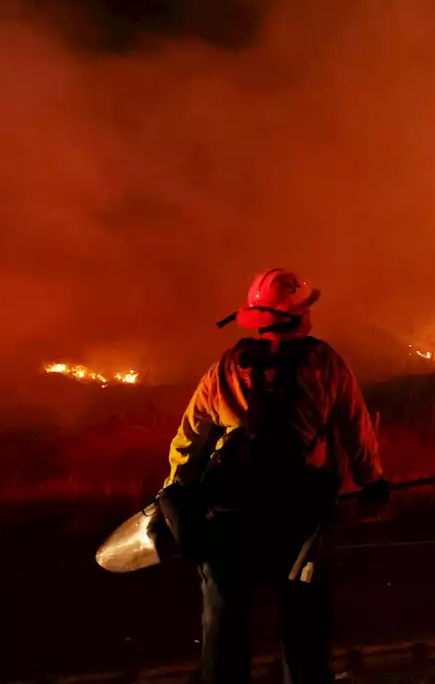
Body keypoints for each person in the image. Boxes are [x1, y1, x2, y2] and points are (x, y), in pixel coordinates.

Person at [163, 268, 389, 684]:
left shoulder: (227, 369)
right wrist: (372, 481)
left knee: (225, 633)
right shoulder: (323, 363)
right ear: (298, 316)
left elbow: (190, 439)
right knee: (305, 632)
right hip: (301, 522)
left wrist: (174, 494)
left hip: (230, 522)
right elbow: (356, 426)